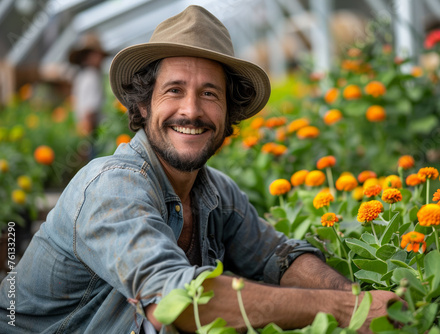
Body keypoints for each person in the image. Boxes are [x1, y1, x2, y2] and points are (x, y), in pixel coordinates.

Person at [0, 5, 400, 334]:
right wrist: (344, 311)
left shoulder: (216, 192)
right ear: (142, 106)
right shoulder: (112, 187)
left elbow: (277, 255)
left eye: (209, 93)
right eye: (174, 90)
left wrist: (359, 299)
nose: (191, 110)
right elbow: (180, 304)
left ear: (229, 115)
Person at [69, 33, 107, 158]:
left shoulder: (82, 76)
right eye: (95, 54)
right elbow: (89, 112)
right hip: (94, 134)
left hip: (86, 132)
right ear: (86, 57)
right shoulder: (92, 77)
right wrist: (86, 143)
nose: (100, 58)